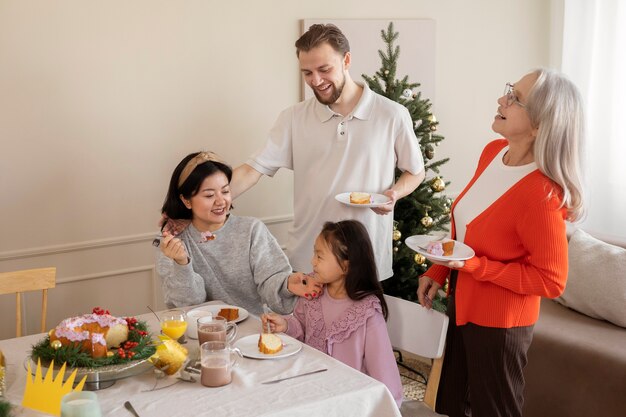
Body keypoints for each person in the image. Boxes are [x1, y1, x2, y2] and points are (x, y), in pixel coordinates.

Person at [417, 69, 585, 417]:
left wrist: (476, 267)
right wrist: (438, 270)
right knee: (451, 405)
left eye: (515, 98)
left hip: (500, 324)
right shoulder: (493, 152)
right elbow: (466, 230)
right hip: (461, 305)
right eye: (509, 91)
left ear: (539, 125)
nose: (501, 100)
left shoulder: (542, 194)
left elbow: (551, 281)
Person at [231, 23, 425, 280]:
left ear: (346, 60)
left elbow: (415, 171)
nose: (316, 81)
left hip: (366, 260)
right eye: (307, 73)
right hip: (308, 259)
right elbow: (251, 170)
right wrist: (197, 205)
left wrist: (394, 194)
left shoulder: (391, 114)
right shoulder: (293, 118)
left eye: (324, 69)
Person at [155, 151, 322, 316]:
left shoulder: (251, 230)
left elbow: (272, 282)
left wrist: (287, 284)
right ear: (186, 200)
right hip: (197, 334)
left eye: (226, 191)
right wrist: (182, 263)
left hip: (252, 332)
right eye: (209, 195)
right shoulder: (172, 241)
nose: (221, 201)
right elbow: (188, 305)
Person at [262, 220, 403, 407]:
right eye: (314, 254)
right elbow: (302, 327)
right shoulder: (313, 289)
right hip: (309, 387)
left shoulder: (367, 313)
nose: (312, 262)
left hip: (347, 399)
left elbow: (384, 372)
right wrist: (286, 324)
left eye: (319, 257)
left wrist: (388, 407)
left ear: (346, 266)